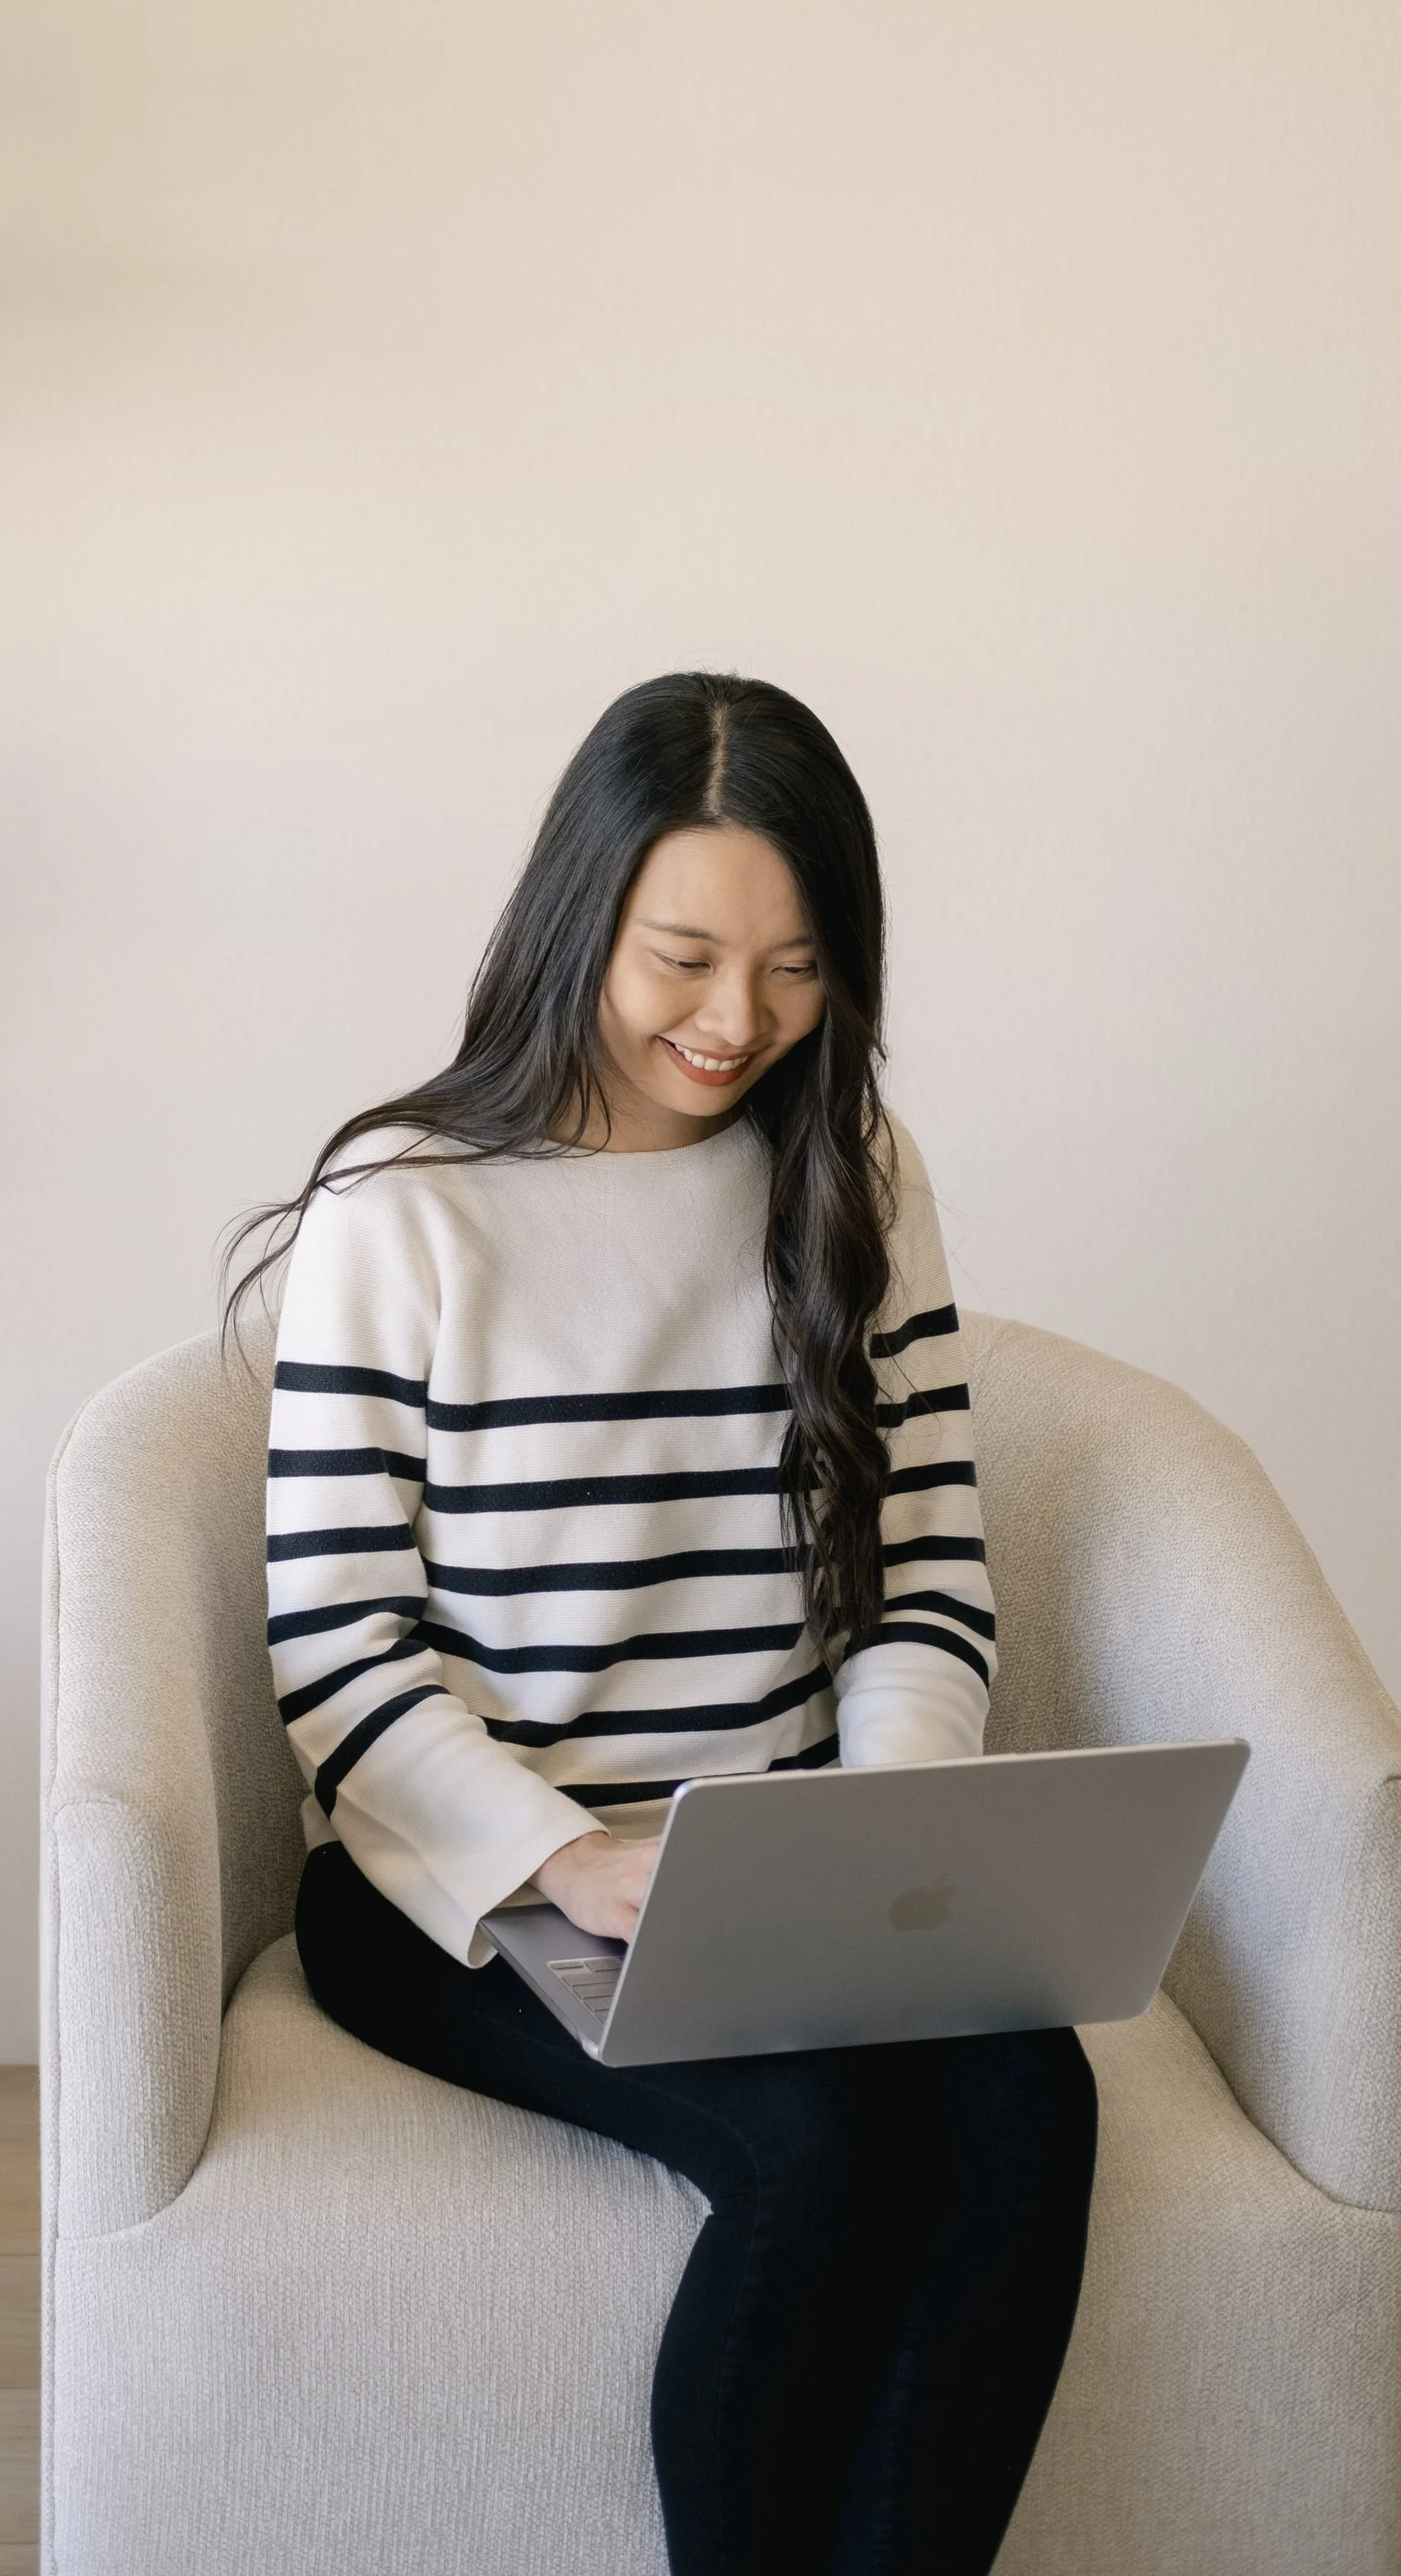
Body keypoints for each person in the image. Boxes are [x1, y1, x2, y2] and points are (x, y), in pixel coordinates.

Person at [232, 670, 1098, 2576]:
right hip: (466, 1890)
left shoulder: (849, 1176)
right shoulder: (406, 1204)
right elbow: (336, 1648)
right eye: (682, 956)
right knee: (819, 2162)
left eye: (794, 969)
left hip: (786, 1869)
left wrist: (883, 1831)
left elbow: (923, 1565)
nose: (734, 1023)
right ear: (578, 921)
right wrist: (569, 1857)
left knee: (1028, 2104)